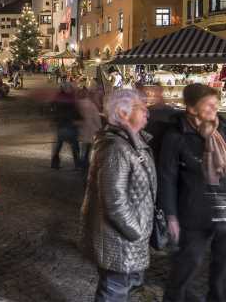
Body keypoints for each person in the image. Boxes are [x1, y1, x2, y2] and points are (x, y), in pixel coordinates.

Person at [158, 84, 226, 302]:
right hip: (195, 213)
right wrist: (171, 216)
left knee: (223, 272)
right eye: (209, 104)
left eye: (216, 103)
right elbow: (167, 178)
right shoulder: (177, 136)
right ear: (191, 109)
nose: (215, 107)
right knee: (186, 266)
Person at [82, 89, 155, 301]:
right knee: (114, 290)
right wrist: (137, 231)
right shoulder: (116, 148)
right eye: (141, 108)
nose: (146, 113)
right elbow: (114, 201)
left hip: (130, 239)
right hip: (120, 239)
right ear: (123, 113)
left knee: (126, 287)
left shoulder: (134, 141)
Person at [51, 82, 82, 170]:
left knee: (58, 145)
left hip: (61, 124)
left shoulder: (58, 97)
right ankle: (77, 165)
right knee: (74, 145)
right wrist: (80, 118)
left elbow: (53, 108)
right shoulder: (71, 98)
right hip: (69, 124)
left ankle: (54, 164)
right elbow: (75, 111)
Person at [76, 87, 102, 169]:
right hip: (91, 130)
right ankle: (85, 163)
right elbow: (96, 118)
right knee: (87, 148)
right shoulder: (91, 105)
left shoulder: (77, 104)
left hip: (81, 130)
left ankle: (81, 162)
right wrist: (99, 128)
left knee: (82, 148)